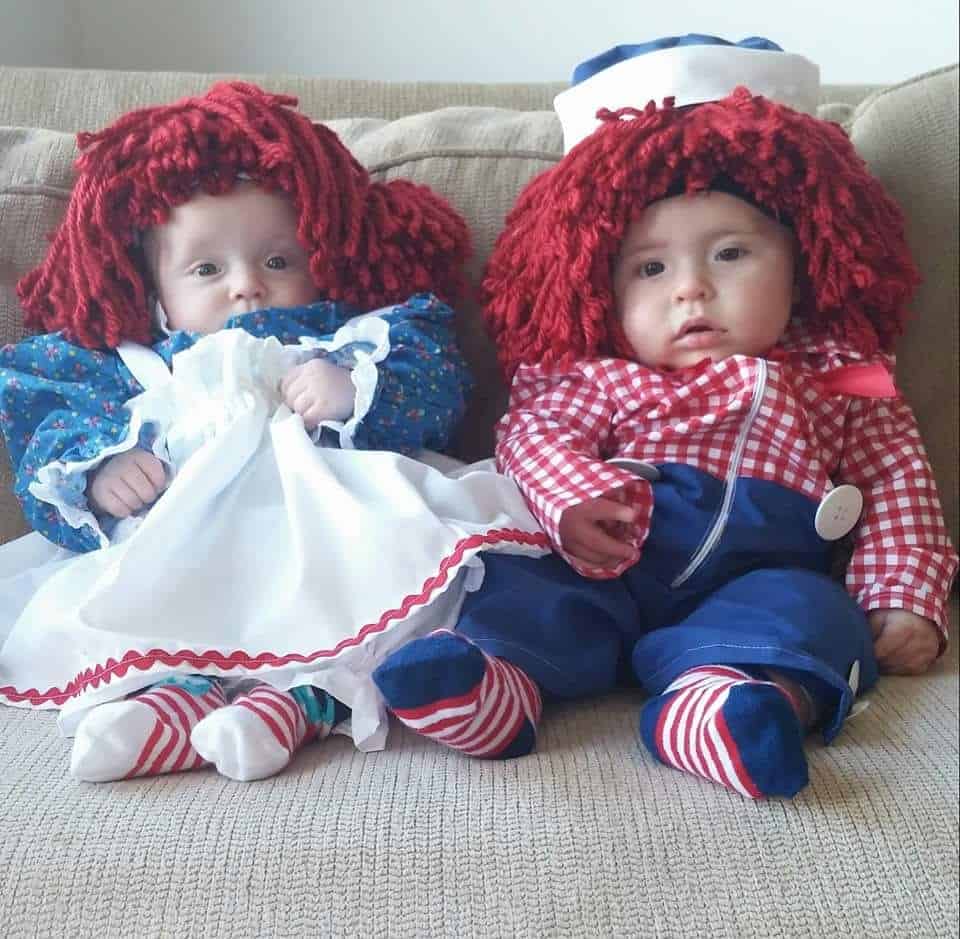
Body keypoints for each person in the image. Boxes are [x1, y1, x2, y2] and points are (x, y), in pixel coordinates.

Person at [371, 39, 959, 798]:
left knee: (816, 618)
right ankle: (490, 685)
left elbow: (896, 481)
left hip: (766, 571)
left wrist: (904, 595)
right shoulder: (596, 371)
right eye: (651, 268)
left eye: (731, 253)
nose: (691, 291)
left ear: (799, 260)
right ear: (604, 285)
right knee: (520, 591)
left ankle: (719, 711)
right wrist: (571, 494)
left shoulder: (845, 371)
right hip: (612, 550)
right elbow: (532, 435)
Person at [0, 82, 546, 783]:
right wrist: (101, 473)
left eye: (278, 260)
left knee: (366, 610)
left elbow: (435, 380)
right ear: (153, 290)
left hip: (333, 531)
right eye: (207, 268)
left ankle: (299, 706)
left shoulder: (353, 334)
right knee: (157, 615)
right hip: (188, 548)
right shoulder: (132, 368)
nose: (248, 285)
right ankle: (173, 702)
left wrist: (354, 389)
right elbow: (46, 418)